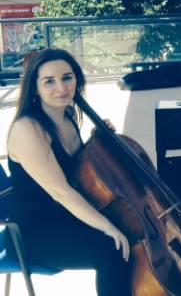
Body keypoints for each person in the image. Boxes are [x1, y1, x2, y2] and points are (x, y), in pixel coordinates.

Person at [6, 48, 131, 296]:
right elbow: (61, 191)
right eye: (49, 81)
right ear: (35, 87)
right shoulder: (27, 129)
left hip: (65, 216)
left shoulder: (67, 116)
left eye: (67, 77)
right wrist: (107, 226)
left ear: (77, 79)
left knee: (131, 233)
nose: (61, 88)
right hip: (34, 232)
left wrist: (96, 141)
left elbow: (76, 169)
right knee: (112, 248)